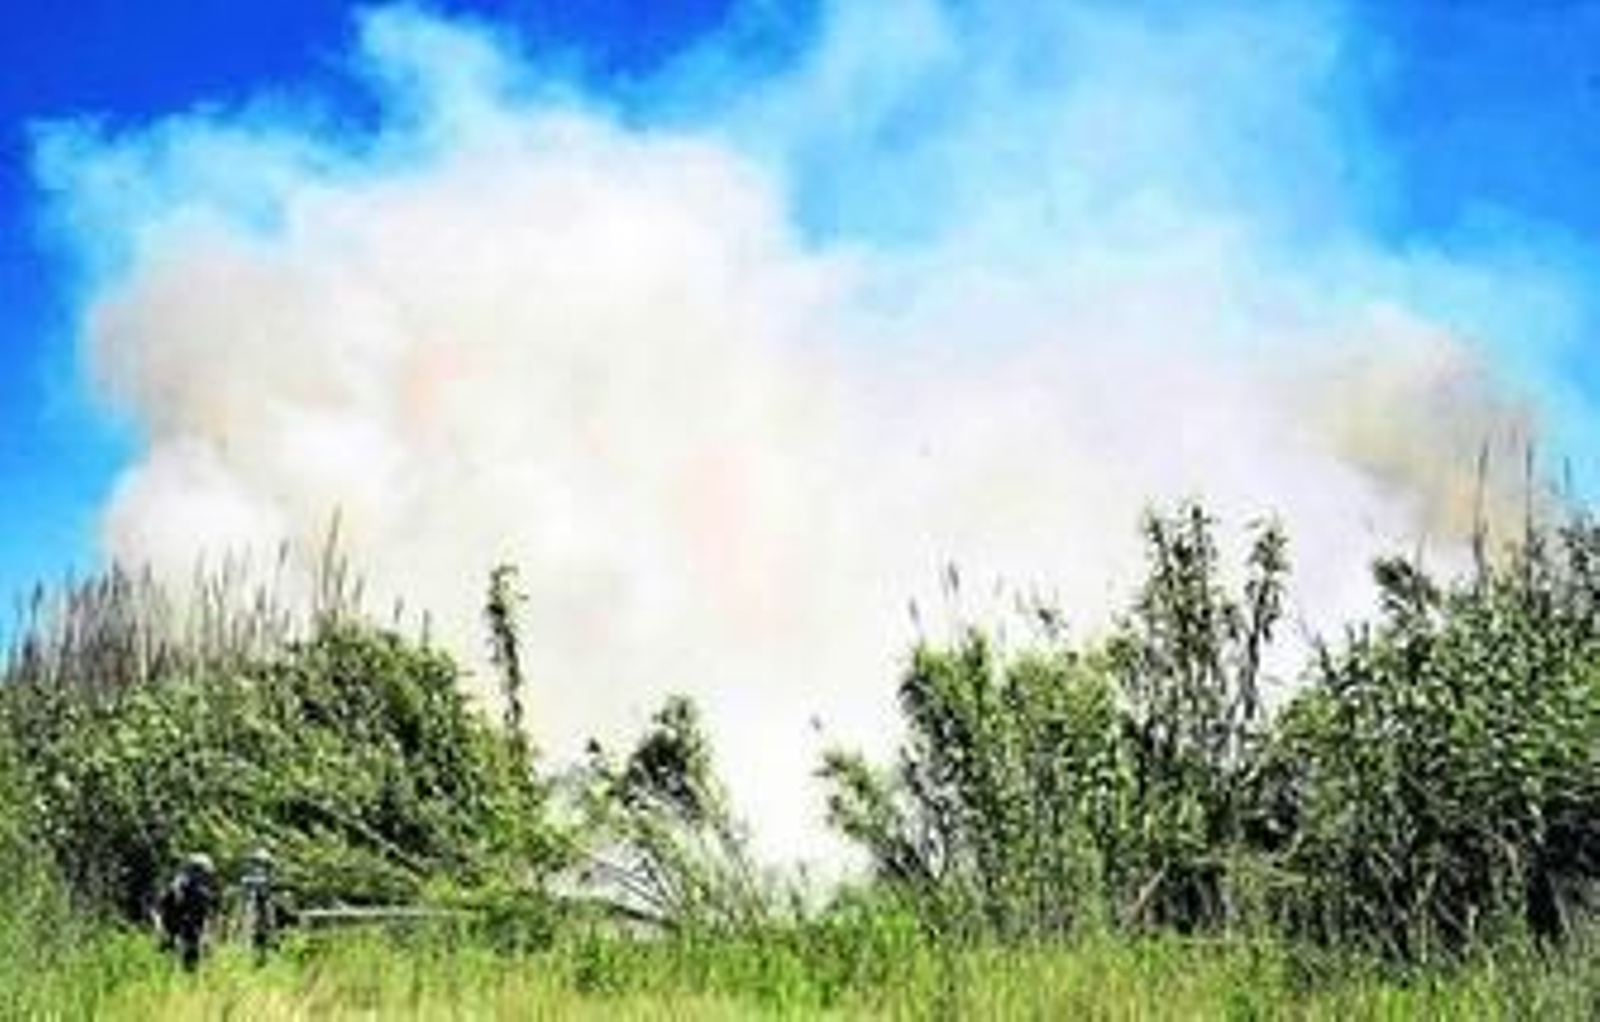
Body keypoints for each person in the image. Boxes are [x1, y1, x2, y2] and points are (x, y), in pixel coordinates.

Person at [155, 852, 218, 971]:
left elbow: (205, 917)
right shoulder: (179, 887)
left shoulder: (198, 891)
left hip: (185, 931)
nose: (204, 878)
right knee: (183, 957)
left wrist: (206, 937)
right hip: (177, 929)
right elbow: (162, 908)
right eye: (201, 873)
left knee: (192, 956)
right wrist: (164, 932)